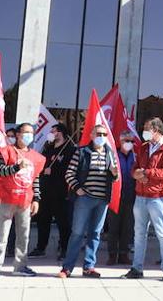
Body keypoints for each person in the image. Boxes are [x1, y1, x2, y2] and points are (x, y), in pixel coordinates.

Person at [0, 122, 43, 278]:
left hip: (25, 200)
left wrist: (36, 198)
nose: (28, 136)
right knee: (1, 234)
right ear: (17, 134)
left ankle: (20, 266)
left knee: (24, 235)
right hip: (8, 198)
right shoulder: (6, 152)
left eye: (31, 133)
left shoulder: (36, 157)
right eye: (25, 132)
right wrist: (16, 167)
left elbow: (36, 178)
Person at [60, 119, 119, 278]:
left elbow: (115, 178)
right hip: (84, 199)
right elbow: (69, 173)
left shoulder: (109, 152)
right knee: (78, 233)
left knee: (95, 233)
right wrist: (78, 188)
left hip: (102, 200)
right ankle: (67, 268)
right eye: (98, 134)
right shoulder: (81, 151)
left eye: (104, 134)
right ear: (92, 135)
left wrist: (115, 173)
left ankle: (89, 267)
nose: (101, 136)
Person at [123, 117, 163, 282]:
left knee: (162, 232)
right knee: (139, 233)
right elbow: (135, 167)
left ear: (156, 130)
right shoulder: (144, 147)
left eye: (147, 128)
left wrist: (147, 173)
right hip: (140, 196)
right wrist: (136, 174)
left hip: (158, 197)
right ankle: (137, 268)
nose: (144, 131)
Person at [32, 123, 75, 260]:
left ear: (61, 132)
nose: (51, 133)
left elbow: (71, 168)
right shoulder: (48, 147)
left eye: (53, 131)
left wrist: (55, 171)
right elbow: (41, 163)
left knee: (63, 223)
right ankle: (40, 247)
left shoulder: (70, 149)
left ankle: (64, 248)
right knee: (43, 220)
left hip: (61, 192)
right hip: (46, 190)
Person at [104, 130, 138, 266]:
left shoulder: (136, 156)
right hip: (115, 196)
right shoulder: (113, 155)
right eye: (127, 141)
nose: (129, 144)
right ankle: (112, 255)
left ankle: (124, 254)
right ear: (120, 141)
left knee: (127, 227)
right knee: (114, 227)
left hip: (131, 195)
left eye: (132, 141)